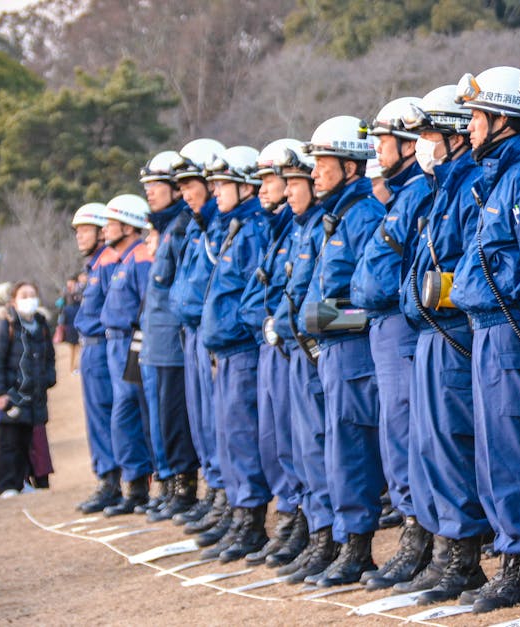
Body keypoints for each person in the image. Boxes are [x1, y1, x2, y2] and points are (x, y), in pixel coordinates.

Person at [447, 65, 520, 613]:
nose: (468, 129)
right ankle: (509, 553)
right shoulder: (494, 176)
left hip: (511, 330)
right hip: (486, 329)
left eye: (476, 117)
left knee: (514, 448)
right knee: (492, 449)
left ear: (501, 119)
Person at [393, 85, 491, 605]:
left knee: (453, 443)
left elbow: (477, 267)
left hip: (453, 334)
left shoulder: (470, 184)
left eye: (430, 134)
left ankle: (464, 555)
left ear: (454, 137)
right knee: (429, 446)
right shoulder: (441, 190)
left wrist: (439, 291)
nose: (421, 146)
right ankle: (444, 550)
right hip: (428, 333)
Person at [350, 99, 436, 591]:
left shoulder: (419, 193)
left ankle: (419, 535)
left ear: (409, 144)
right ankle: (413, 530)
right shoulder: (399, 197)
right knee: (394, 433)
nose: (377, 149)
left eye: (384, 139)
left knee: (410, 434)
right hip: (384, 327)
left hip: (403, 326)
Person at [300, 115, 386, 587]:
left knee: (354, 449)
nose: (315, 172)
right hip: (331, 351)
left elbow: (371, 298)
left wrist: (326, 319)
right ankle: (342, 539)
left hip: (352, 352)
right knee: (333, 447)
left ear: (350, 167)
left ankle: (358, 547)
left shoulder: (364, 215)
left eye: (322, 162)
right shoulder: (338, 216)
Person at [198, 145, 272, 563]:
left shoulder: (255, 230)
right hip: (226, 350)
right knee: (227, 436)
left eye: (224, 183)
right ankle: (240, 512)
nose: (216, 190)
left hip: (243, 347)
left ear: (245, 186)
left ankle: (251, 518)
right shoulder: (236, 228)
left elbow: (255, 293)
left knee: (243, 436)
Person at [271, 144, 341, 582]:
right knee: (298, 447)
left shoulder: (321, 226)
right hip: (296, 347)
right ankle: (316, 530)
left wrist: (319, 324)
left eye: (297, 182)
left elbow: (358, 303)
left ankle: (330, 535)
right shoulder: (299, 229)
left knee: (321, 446)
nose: (292, 189)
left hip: (320, 349)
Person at [238, 138, 307, 567]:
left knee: (297, 441)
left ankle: (301, 521)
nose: (262, 188)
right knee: (274, 441)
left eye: (270, 179)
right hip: (270, 342)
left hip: (288, 344)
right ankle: (290, 518)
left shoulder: (296, 226)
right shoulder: (277, 227)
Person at [168, 138, 230, 534]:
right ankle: (216, 492)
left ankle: (226, 494)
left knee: (221, 419)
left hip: (211, 335)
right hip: (193, 331)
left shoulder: (221, 224)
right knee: (202, 419)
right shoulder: (196, 226)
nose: (186, 193)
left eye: (192, 184)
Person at [138, 149, 200, 522]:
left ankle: (184, 485)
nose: (150, 193)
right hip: (157, 336)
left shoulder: (178, 226)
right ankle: (170, 482)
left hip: (173, 337)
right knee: (160, 416)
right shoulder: (163, 228)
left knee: (176, 415)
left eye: (155, 186)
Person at [98, 193, 155, 517]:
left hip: (131, 342)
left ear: (130, 226)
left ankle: (138, 486)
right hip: (114, 343)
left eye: (112, 223)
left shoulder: (141, 257)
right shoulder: (124, 258)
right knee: (123, 416)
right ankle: (134, 483)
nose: (106, 229)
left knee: (130, 414)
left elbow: (146, 303)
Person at [70, 203, 123, 513]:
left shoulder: (107, 263)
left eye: (84, 230)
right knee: (96, 417)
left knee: (106, 415)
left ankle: (112, 480)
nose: (79, 236)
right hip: (90, 347)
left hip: (102, 347)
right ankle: (106, 476)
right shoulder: (95, 264)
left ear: (102, 232)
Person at [0, 281, 56, 497]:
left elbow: (50, 357)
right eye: (23, 295)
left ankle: (22, 481)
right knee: (9, 441)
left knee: (28, 441)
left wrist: (48, 378)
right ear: (14, 301)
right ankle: (7, 485)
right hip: (11, 393)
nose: (29, 299)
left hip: (34, 396)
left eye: (32, 294)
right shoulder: (5, 325)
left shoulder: (41, 325)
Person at [56, 275, 81, 373]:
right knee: (74, 348)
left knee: (75, 349)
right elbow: (59, 304)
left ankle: (74, 366)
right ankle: (73, 367)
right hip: (72, 323)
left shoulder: (78, 291)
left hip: (72, 322)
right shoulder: (65, 292)